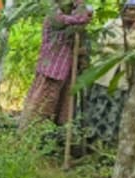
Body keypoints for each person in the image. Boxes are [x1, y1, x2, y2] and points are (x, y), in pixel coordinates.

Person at [19, 0, 91, 129]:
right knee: (42, 105)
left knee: (62, 108)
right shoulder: (53, 15)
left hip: (66, 70)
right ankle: (30, 135)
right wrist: (80, 4)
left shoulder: (71, 16)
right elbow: (81, 18)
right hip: (52, 69)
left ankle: (55, 137)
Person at [82, 0, 135, 146]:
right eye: (130, 9)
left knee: (117, 108)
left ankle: (109, 141)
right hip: (105, 72)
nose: (132, 13)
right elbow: (101, 45)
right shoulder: (111, 25)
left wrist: (118, 47)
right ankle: (90, 139)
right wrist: (121, 49)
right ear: (124, 10)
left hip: (125, 74)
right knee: (99, 104)